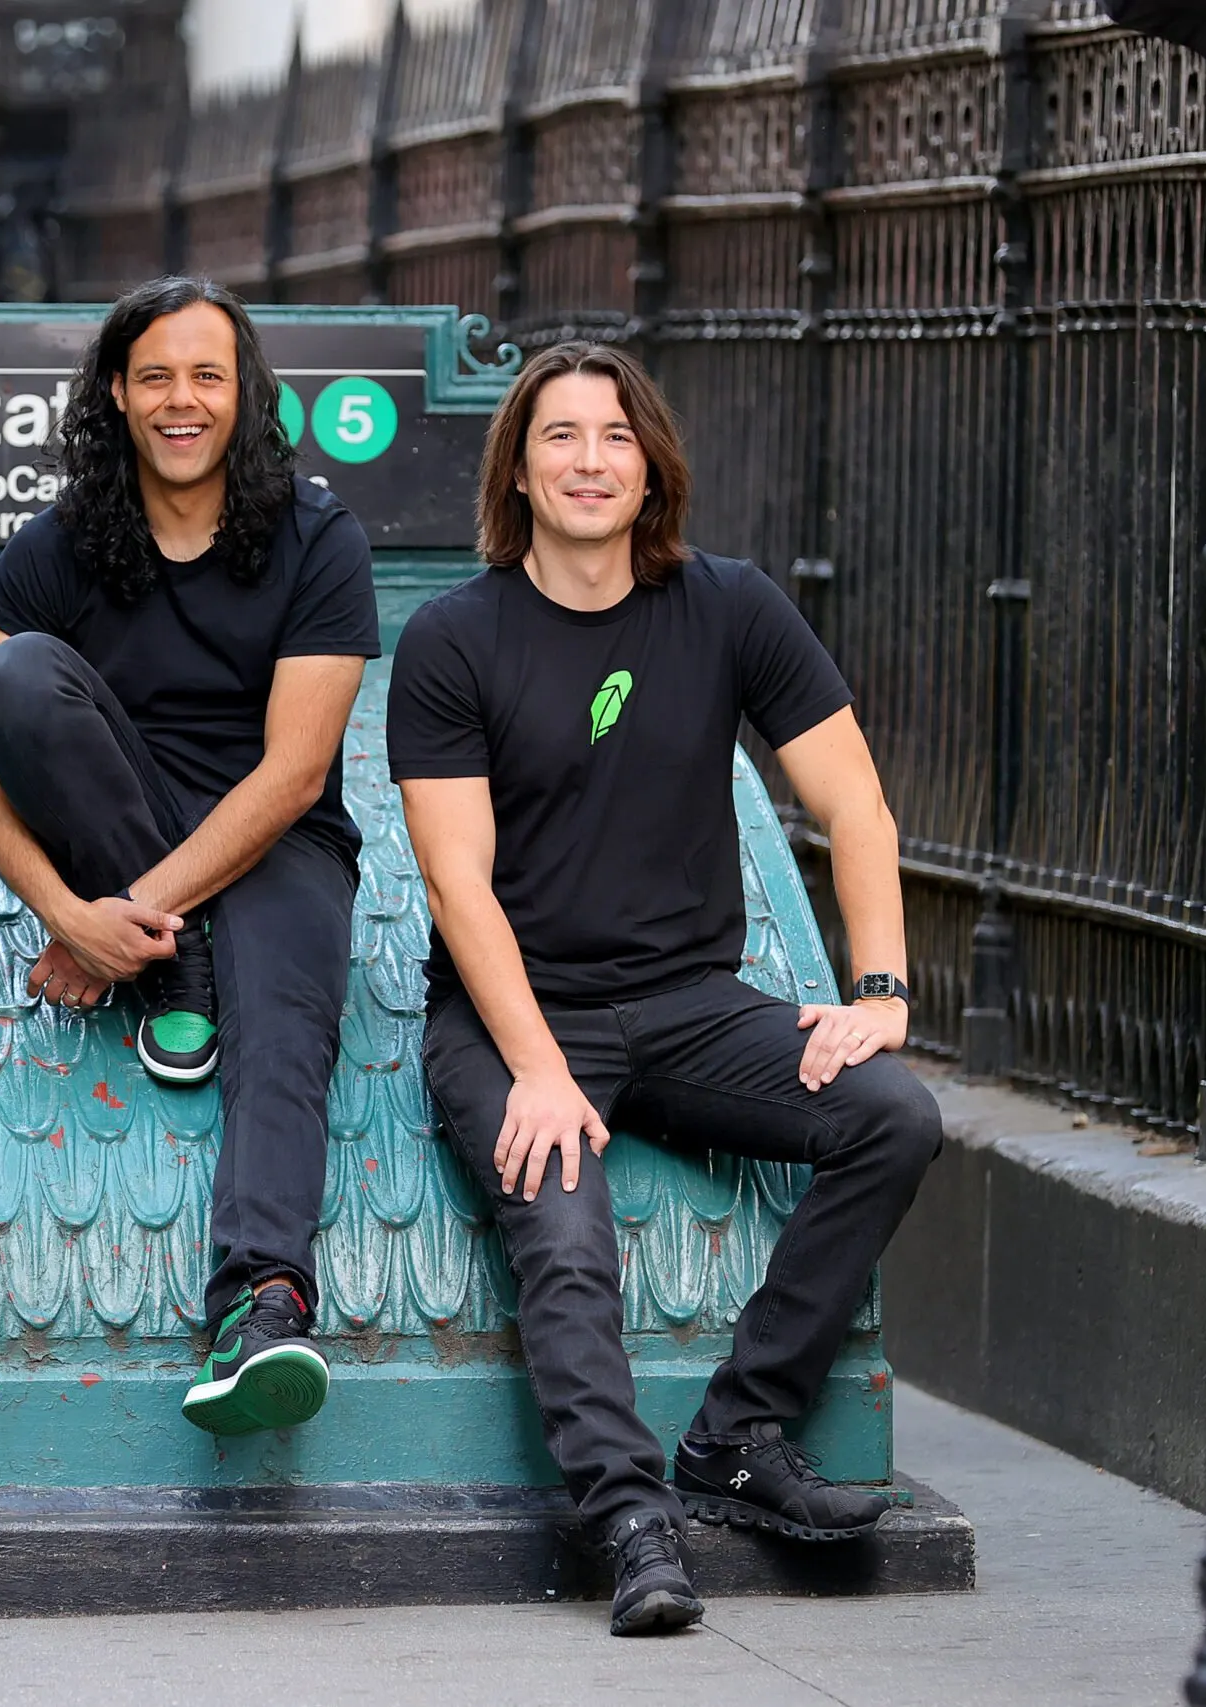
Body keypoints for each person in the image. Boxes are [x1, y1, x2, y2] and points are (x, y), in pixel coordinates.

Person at [387, 343, 943, 1637]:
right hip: (515, 1017)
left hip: (693, 1005)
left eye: (616, 437)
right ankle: (633, 1516)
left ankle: (739, 1436)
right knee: (565, 1231)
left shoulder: (730, 606)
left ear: (652, 468)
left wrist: (879, 987)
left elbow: (854, 799)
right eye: (562, 437)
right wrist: (532, 1065)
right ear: (516, 472)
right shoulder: (452, 638)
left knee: (892, 1113)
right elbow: (459, 888)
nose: (590, 460)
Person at [0, 276, 378, 1437]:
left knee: (286, 1032)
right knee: (16, 677)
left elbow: (293, 773)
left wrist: (127, 914)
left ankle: (264, 1307)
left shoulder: (316, 537)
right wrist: (66, 912)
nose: (179, 400)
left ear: (244, 397)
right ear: (117, 398)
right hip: (122, 813)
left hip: (275, 835)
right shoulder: (62, 541)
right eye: (153, 377)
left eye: (205, 375)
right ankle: (176, 974)